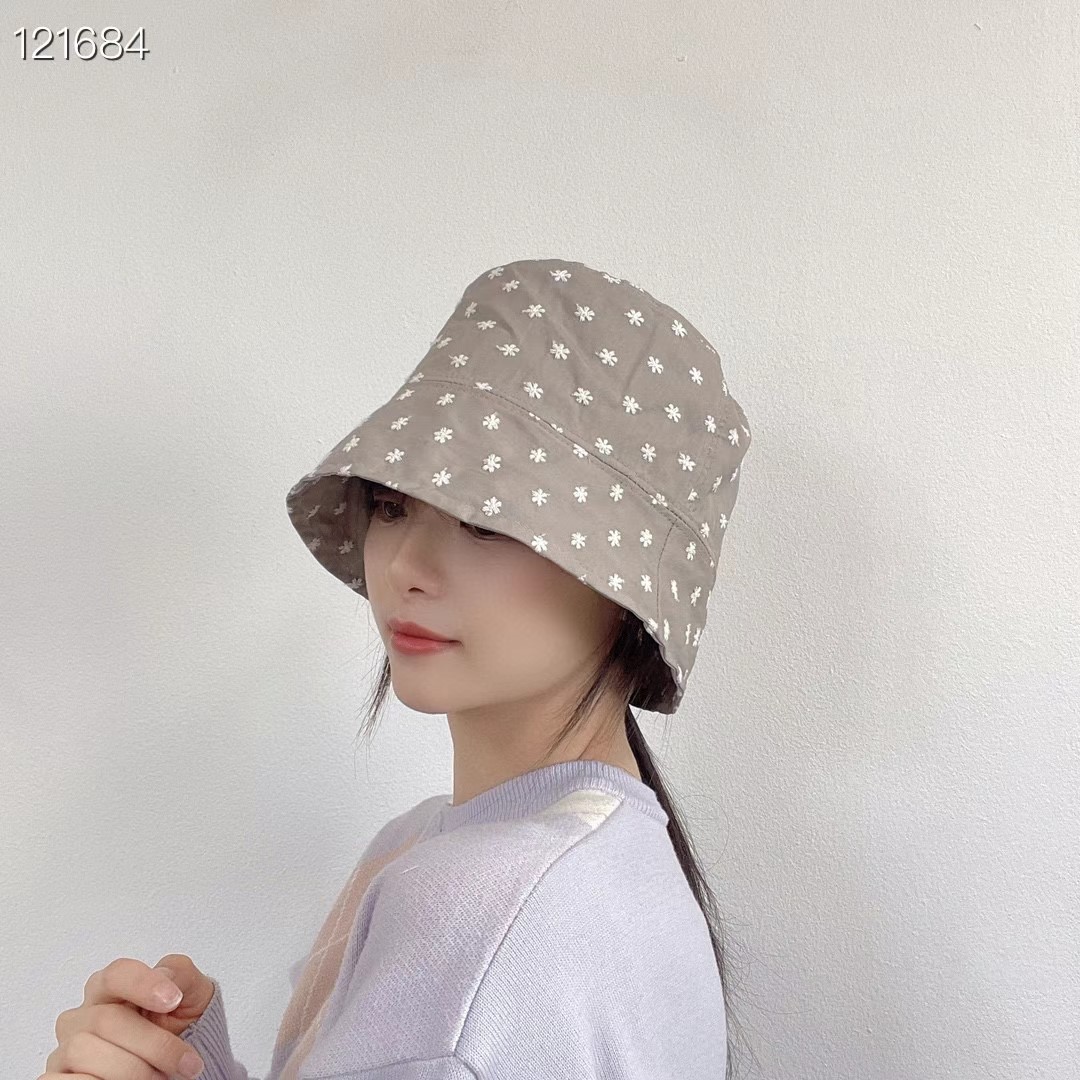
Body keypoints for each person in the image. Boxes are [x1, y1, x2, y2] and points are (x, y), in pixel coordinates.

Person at [45, 257, 754, 1080]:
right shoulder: (556, 861)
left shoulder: (486, 900)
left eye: (488, 520)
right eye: (392, 505)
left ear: (624, 586)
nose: (406, 566)